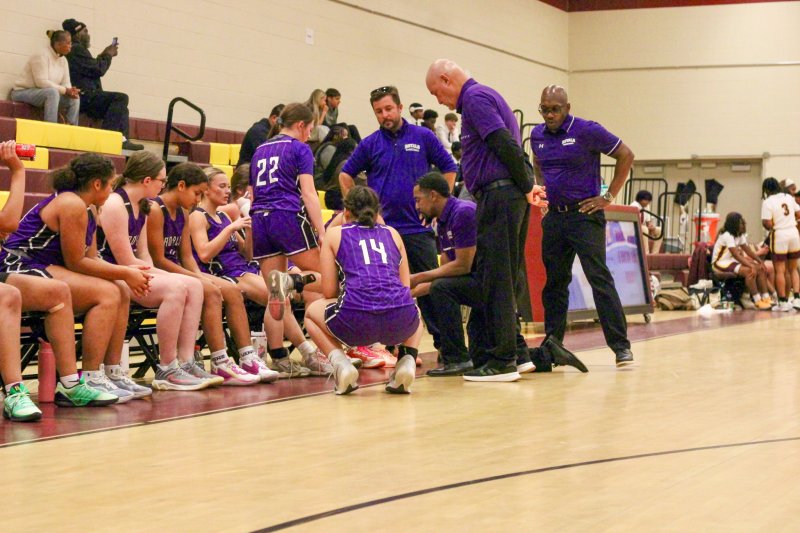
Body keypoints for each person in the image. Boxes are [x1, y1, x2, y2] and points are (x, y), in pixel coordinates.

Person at [1, 150, 152, 407]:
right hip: (22, 262)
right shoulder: (71, 203)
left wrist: (125, 275)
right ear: (97, 184)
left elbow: (92, 259)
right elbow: (76, 263)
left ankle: (111, 371)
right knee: (109, 292)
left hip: (45, 264)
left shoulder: (90, 208)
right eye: (111, 184)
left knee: (121, 290)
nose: (112, 190)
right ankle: (90, 376)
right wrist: (126, 271)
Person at [425, 59, 545, 381]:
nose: (439, 101)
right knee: (505, 275)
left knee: (497, 279)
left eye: (437, 92)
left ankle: (502, 360)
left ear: (448, 80)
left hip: (500, 196)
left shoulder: (476, 99)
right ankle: (517, 355)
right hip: (506, 195)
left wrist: (526, 184)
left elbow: (504, 144)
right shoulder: (485, 97)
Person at [339, 85, 457, 358]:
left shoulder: (423, 136)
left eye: (388, 108)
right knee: (388, 293)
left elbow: (450, 167)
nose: (384, 115)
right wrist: (360, 209)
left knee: (432, 290)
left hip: (418, 229)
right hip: (383, 233)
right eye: (379, 111)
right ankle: (391, 348)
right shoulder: (369, 143)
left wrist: (440, 204)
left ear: (401, 108)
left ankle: (448, 348)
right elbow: (346, 176)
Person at [528, 84, 636, 368]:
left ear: (567, 108)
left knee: (599, 278)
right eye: (544, 109)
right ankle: (553, 344)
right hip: (555, 218)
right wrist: (544, 189)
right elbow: (539, 163)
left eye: (555, 109)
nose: (549, 115)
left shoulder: (587, 130)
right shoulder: (536, 135)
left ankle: (621, 347)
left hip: (585, 216)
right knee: (555, 283)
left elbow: (626, 155)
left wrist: (608, 197)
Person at [98, 150, 218, 390]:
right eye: (161, 181)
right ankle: (166, 367)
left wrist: (169, 275)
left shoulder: (141, 205)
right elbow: (125, 260)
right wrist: (167, 278)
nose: (163, 186)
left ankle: (185, 362)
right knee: (175, 288)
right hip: (113, 274)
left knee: (194, 285)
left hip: (131, 271)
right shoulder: (115, 204)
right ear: (147, 181)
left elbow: (143, 256)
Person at [194, 166, 325, 378]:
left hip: (242, 267)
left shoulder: (224, 217)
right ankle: (301, 353)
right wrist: (230, 229)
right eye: (222, 186)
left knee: (280, 293)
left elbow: (247, 254)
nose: (227, 191)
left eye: (228, 186)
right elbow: (204, 254)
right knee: (278, 295)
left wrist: (248, 229)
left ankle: (301, 353)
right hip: (224, 273)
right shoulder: (199, 216)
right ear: (206, 189)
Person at [146, 163, 262, 385]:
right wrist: (196, 278)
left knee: (211, 288)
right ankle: (212, 360)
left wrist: (197, 276)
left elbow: (187, 257)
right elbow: (158, 259)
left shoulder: (183, 212)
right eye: (196, 193)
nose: (198, 200)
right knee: (211, 289)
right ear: (181, 186)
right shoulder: (156, 210)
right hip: (160, 271)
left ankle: (203, 361)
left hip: (179, 270)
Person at [304, 186, 422, 395]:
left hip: (356, 322)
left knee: (311, 313)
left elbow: (329, 291)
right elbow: (405, 287)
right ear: (378, 212)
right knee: (415, 310)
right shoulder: (393, 234)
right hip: (399, 322)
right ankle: (406, 361)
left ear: (345, 212)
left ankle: (342, 366)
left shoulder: (334, 234)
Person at [61, 18, 143, 150]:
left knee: (122, 108)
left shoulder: (78, 51)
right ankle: (108, 138)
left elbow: (91, 67)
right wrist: (108, 55)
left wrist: (103, 55)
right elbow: (97, 69)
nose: (88, 34)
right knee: (121, 98)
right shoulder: (76, 49)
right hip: (82, 96)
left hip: (88, 96)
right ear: (77, 34)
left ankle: (122, 140)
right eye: (85, 31)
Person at [11, 30, 80, 125]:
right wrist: (65, 90)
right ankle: (51, 128)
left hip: (43, 92)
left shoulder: (63, 60)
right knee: (52, 93)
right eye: (68, 43)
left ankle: (71, 130)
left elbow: (66, 82)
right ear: (58, 44)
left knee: (74, 98)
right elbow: (41, 82)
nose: (70, 46)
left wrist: (70, 91)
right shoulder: (41, 55)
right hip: (22, 91)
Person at [712, 212, 773, 309]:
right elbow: (736, 255)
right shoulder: (727, 235)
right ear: (734, 224)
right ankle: (757, 300)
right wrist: (750, 265)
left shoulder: (739, 235)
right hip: (719, 263)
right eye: (740, 223)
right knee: (749, 271)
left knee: (760, 268)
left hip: (731, 261)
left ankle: (766, 297)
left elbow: (748, 251)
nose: (743, 224)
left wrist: (760, 262)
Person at [761, 178, 800, 311]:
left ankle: (783, 301)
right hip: (794, 233)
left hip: (780, 235)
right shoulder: (789, 197)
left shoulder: (767, 202)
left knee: (780, 270)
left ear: (766, 189)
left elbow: (767, 223)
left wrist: (775, 224)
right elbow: (798, 213)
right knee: (794, 269)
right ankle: (797, 299)